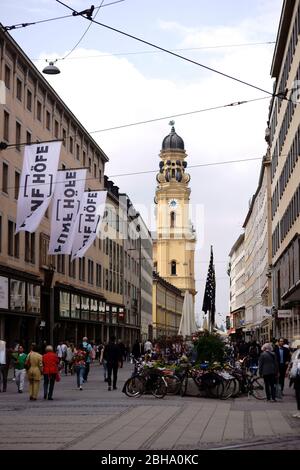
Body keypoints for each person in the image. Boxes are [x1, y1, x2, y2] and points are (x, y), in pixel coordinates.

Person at [287, 339, 300, 418]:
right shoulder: (297, 353)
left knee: (299, 395)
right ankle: (298, 411)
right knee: (297, 395)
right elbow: (293, 364)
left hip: (298, 377)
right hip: (296, 378)